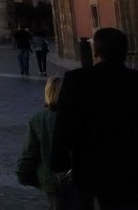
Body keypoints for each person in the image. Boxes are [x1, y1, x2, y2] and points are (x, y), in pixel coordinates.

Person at [51, 27, 138, 208]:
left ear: (96, 51)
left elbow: (64, 125)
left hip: (91, 168)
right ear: (124, 51)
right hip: (131, 166)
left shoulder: (76, 80)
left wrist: (59, 162)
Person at [15, 76, 64, 207]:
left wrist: (21, 173)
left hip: (52, 179)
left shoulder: (39, 119)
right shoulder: (76, 116)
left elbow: (30, 151)